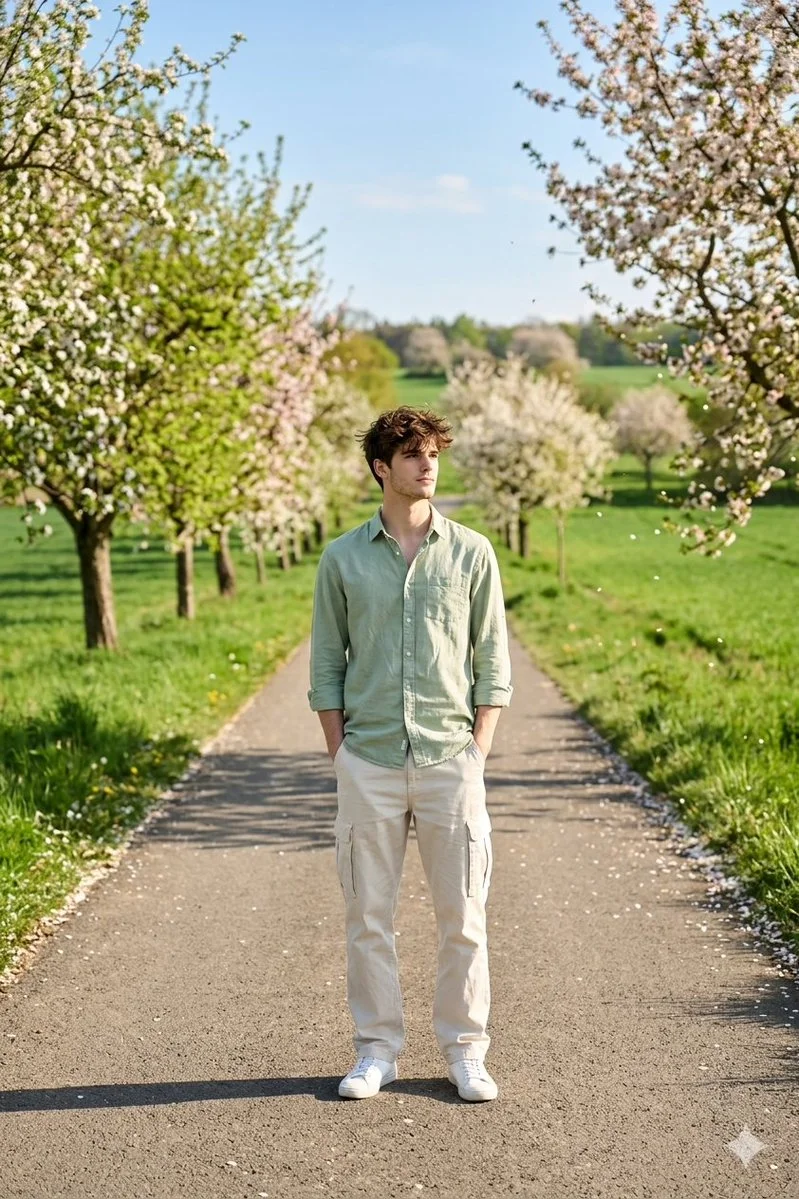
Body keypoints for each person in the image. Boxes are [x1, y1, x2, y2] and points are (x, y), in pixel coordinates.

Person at [307, 406, 513, 1102]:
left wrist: (476, 749)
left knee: (463, 914)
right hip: (366, 760)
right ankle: (376, 1050)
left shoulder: (472, 552)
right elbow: (325, 667)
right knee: (368, 914)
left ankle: (464, 1050)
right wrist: (341, 756)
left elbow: (492, 661)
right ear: (380, 468)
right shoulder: (340, 558)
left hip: (449, 757)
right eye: (413, 455)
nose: (428, 465)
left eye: (432, 454)